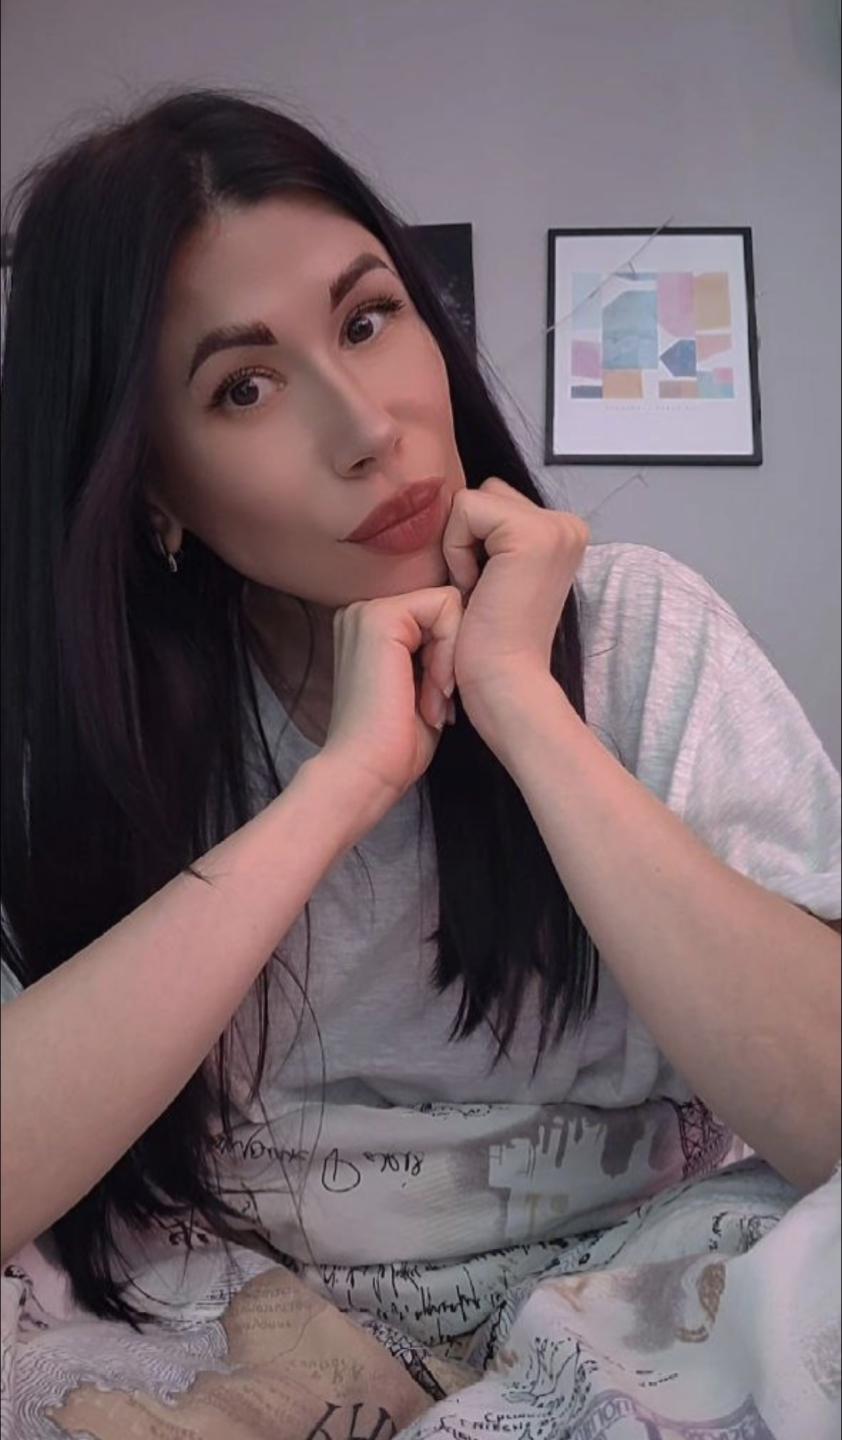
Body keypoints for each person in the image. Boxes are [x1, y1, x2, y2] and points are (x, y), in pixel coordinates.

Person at [1, 89, 840, 1436]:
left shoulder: (641, 631)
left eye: (368, 318)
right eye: (243, 387)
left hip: (636, 1280)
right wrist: (336, 788)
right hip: (235, 1311)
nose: (366, 427)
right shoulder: (99, 736)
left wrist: (522, 706)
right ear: (151, 487)